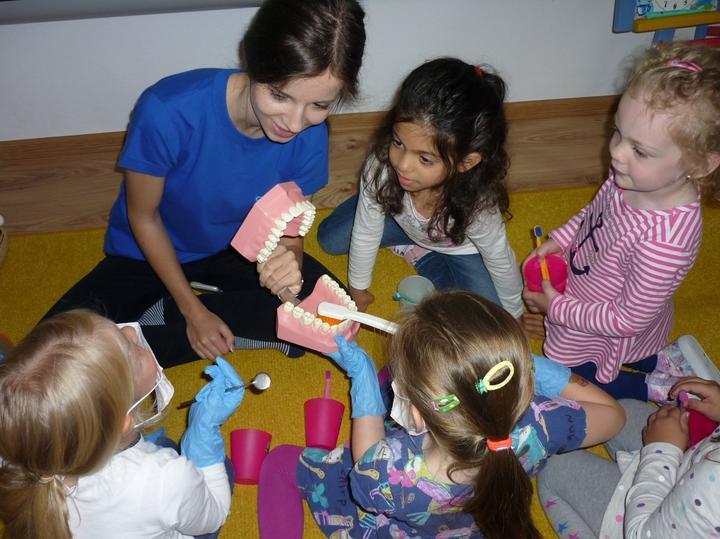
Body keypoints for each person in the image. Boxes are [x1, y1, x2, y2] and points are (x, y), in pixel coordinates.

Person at [40, 0, 367, 366]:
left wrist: (288, 259)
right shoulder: (168, 110)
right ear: (252, 59)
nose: (294, 123)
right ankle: (177, 319)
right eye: (279, 95)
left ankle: (157, 326)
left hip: (239, 249)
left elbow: (290, 227)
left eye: (319, 105)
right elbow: (143, 217)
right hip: (149, 253)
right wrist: (193, 312)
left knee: (331, 316)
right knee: (55, 358)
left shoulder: (312, 135)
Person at [257, 291, 625, 538]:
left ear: (415, 416)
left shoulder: (388, 471)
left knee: (282, 463)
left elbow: (364, 461)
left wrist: (363, 380)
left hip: (393, 520)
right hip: (475, 520)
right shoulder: (545, 422)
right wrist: (530, 365)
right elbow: (614, 415)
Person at [523, 43, 720, 400]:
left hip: (604, 324)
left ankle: (656, 387)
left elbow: (626, 320)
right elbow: (593, 215)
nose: (615, 151)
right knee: (635, 349)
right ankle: (660, 359)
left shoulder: (665, 243)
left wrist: (558, 309)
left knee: (581, 376)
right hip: (590, 292)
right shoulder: (630, 177)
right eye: (618, 132)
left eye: (640, 150)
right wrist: (561, 239)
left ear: (699, 165)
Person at [316, 58, 542, 336]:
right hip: (397, 218)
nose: (402, 165)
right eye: (398, 142)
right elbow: (365, 230)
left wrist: (514, 313)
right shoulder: (382, 166)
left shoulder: (477, 205)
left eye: (425, 159)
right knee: (328, 239)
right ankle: (383, 214)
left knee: (488, 321)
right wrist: (357, 288)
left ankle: (421, 254)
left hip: (457, 247)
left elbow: (499, 259)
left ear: (466, 163)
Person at [0, 310, 244, 538]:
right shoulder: (166, 479)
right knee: (223, 467)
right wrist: (203, 435)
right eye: (131, 351)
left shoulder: (15, 442)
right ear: (123, 425)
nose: (129, 332)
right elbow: (213, 516)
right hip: (164, 496)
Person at [538, 376, 720, 538]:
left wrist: (662, 450)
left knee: (554, 468)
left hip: (646, 527)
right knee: (619, 415)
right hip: (691, 468)